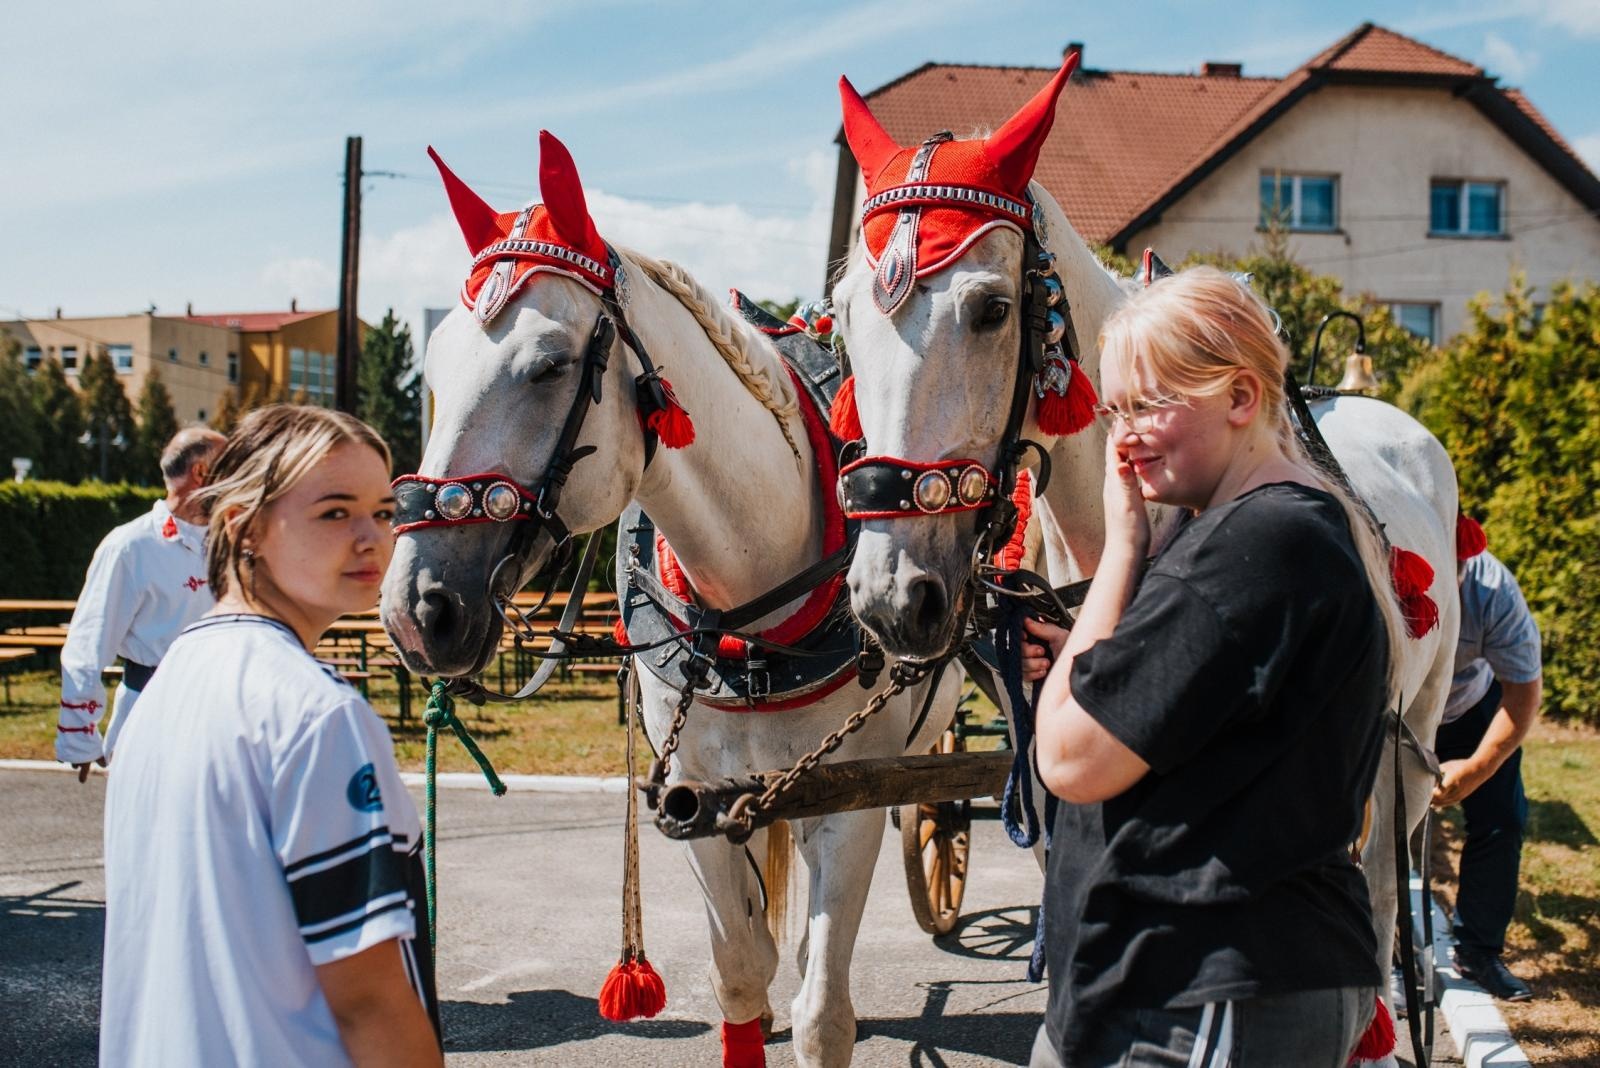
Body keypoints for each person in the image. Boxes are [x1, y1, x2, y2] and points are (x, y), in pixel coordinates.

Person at [1020, 267, 1404, 1067]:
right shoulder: (1261, 529)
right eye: (1116, 409)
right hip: (1194, 986)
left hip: (1199, 995)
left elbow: (1068, 758)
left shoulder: (1250, 545)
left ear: (1239, 398)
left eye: (1151, 403)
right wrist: (1097, 665)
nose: (1122, 436)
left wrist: (1123, 551)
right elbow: (1218, 711)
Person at [99, 405, 441, 1067]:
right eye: (335, 512)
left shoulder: (163, 690)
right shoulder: (316, 713)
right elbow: (368, 999)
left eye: (384, 509)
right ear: (245, 527)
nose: (373, 537)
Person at [56, 426, 225, 780]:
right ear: (201, 473)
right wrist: (80, 735)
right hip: (150, 714)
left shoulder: (233, 543)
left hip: (222, 716)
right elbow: (88, 644)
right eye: (233, 466)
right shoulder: (131, 546)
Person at [1433, 546, 1542, 1001]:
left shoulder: (1494, 590)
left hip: (1471, 706)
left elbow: (1523, 693)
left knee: (1503, 819)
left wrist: (1476, 769)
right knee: (1379, 829)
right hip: (1394, 709)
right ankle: (1388, 953)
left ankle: (1478, 952)